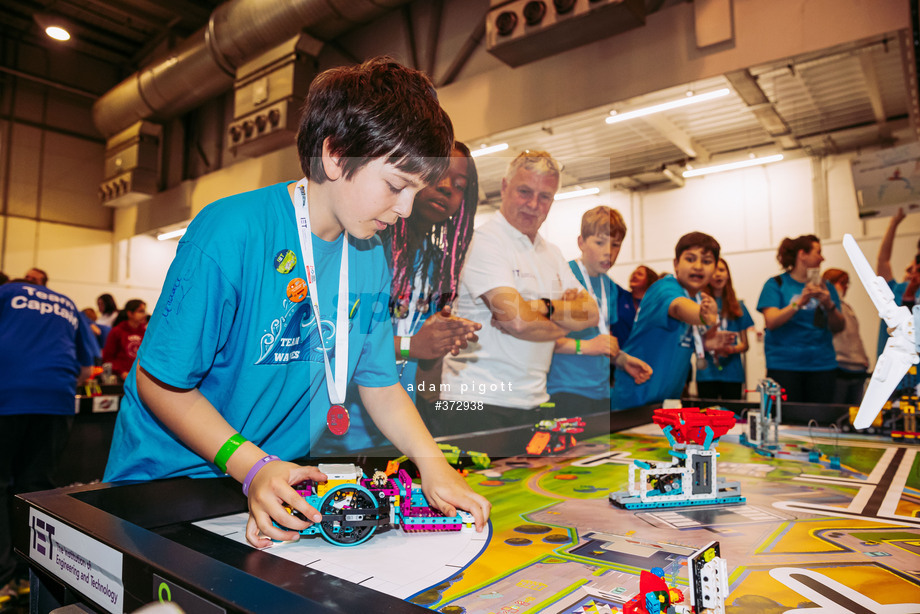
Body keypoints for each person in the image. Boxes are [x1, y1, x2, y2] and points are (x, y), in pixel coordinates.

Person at [103, 57, 490, 548]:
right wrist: (252, 466)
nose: (405, 209)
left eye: (416, 191)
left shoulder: (369, 256)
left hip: (277, 485)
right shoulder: (230, 232)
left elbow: (379, 383)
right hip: (169, 486)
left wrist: (433, 465)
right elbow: (160, 383)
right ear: (335, 156)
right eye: (395, 185)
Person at [316, 141, 482, 450]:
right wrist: (413, 346)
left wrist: (437, 346)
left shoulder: (437, 265)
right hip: (337, 432)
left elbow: (425, 378)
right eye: (439, 175)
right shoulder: (366, 245)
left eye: (459, 185)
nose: (446, 188)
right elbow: (333, 339)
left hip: (396, 428)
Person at [440, 150, 599, 438]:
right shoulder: (484, 242)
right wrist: (563, 317)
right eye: (524, 192)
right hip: (476, 402)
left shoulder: (553, 253)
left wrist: (539, 306)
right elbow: (517, 322)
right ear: (504, 187)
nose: (533, 204)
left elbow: (591, 314)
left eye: (545, 196)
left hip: (534, 400)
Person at [0, 278, 97, 602]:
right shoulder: (67, 303)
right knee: (35, 487)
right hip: (56, 398)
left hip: (7, 395)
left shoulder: (7, 293)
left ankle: (2, 581)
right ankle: (29, 576)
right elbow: (86, 368)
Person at [546, 206, 652, 416]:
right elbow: (541, 340)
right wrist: (585, 346)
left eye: (615, 245)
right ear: (581, 242)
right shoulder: (562, 278)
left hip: (602, 392)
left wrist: (622, 360)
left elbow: (601, 339)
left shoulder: (610, 287)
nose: (609, 252)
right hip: (564, 391)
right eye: (600, 242)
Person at [612, 232, 734, 410]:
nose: (698, 266)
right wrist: (705, 315)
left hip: (666, 403)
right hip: (634, 399)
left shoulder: (698, 298)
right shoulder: (664, 288)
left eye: (706, 261)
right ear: (676, 264)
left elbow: (679, 341)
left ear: (714, 268)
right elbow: (678, 307)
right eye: (690, 259)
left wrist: (706, 343)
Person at [756, 235, 844, 403]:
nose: (822, 258)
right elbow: (772, 321)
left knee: (820, 423)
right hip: (784, 366)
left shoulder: (827, 287)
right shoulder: (776, 284)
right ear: (802, 254)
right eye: (818, 252)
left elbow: (839, 326)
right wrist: (799, 303)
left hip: (822, 365)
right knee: (784, 420)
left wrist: (828, 304)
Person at [694, 258, 755, 400]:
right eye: (714, 271)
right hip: (706, 373)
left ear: (728, 274)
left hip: (732, 373)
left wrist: (731, 349)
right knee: (706, 417)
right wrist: (709, 344)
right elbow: (692, 341)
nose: (718, 275)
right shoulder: (698, 304)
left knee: (733, 417)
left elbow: (745, 344)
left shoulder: (738, 305)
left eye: (721, 270)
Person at [822, 268, 869, 405]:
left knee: (854, 415)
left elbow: (854, 338)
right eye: (842, 283)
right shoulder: (827, 308)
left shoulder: (847, 307)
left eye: (847, 283)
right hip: (838, 368)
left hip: (858, 368)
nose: (846, 287)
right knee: (837, 413)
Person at [876, 208, 920, 357]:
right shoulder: (896, 290)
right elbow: (883, 260)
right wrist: (894, 223)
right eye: (910, 269)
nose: (912, 274)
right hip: (894, 365)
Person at [102, 299, 147, 381]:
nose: (144, 314)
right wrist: (121, 371)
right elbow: (108, 358)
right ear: (130, 313)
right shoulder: (117, 331)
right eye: (140, 311)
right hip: (121, 378)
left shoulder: (146, 333)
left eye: (144, 311)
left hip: (140, 378)